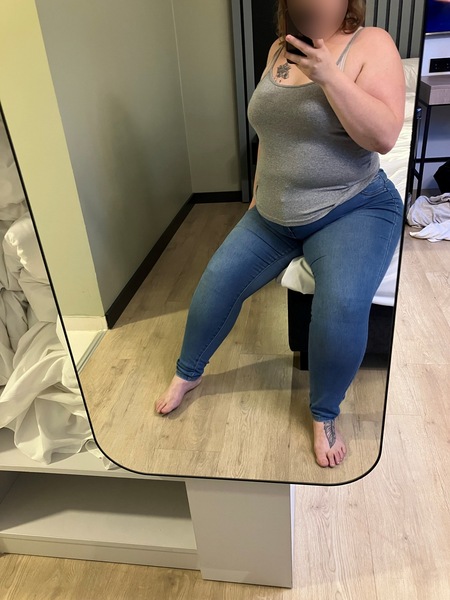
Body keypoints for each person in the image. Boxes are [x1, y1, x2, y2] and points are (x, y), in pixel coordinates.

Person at [155, 0, 405, 469]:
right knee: (216, 281)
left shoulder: (371, 44)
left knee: (340, 306)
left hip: (352, 208)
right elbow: (270, 134)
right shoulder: (278, 50)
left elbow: (384, 137)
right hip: (273, 212)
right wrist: (257, 195)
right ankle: (188, 372)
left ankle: (324, 414)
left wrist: (329, 75)